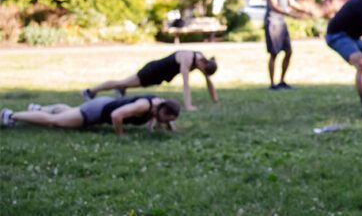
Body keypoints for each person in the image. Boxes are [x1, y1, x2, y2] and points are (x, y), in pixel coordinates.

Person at [81, 50, 218, 112]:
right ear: (203, 64)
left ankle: (120, 90)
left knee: (125, 84)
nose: (201, 72)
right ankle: (90, 91)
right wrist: (188, 106)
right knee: (122, 82)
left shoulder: (202, 61)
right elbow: (186, 84)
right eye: (203, 71)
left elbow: (208, 81)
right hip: (152, 71)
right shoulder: (187, 58)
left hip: (158, 77)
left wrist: (215, 100)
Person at [2, 96, 181, 135]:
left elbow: (164, 117)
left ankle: (38, 108)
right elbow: (116, 116)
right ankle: (11, 116)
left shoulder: (160, 104)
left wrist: (170, 127)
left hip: (101, 103)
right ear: (162, 111)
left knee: (70, 112)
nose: (166, 123)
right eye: (167, 120)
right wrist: (120, 134)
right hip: (97, 111)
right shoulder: (144, 105)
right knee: (55, 122)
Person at [265, 0, 315, 90]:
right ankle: (272, 83)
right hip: (272, 23)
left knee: (288, 51)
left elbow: (291, 2)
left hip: (282, 23)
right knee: (274, 53)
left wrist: (304, 10)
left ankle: (282, 80)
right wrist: (290, 14)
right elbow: (273, 6)